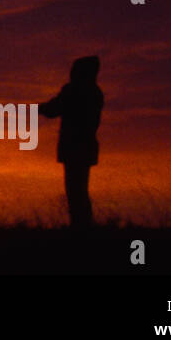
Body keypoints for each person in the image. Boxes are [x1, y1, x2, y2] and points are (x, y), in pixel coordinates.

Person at [39, 55, 104, 228]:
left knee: (75, 191)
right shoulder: (95, 92)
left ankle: (81, 229)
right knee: (80, 191)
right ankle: (84, 227)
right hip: (86, 146)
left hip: (74, 147)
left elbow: (53, 109)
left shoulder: (74, 90)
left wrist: (34, 109)